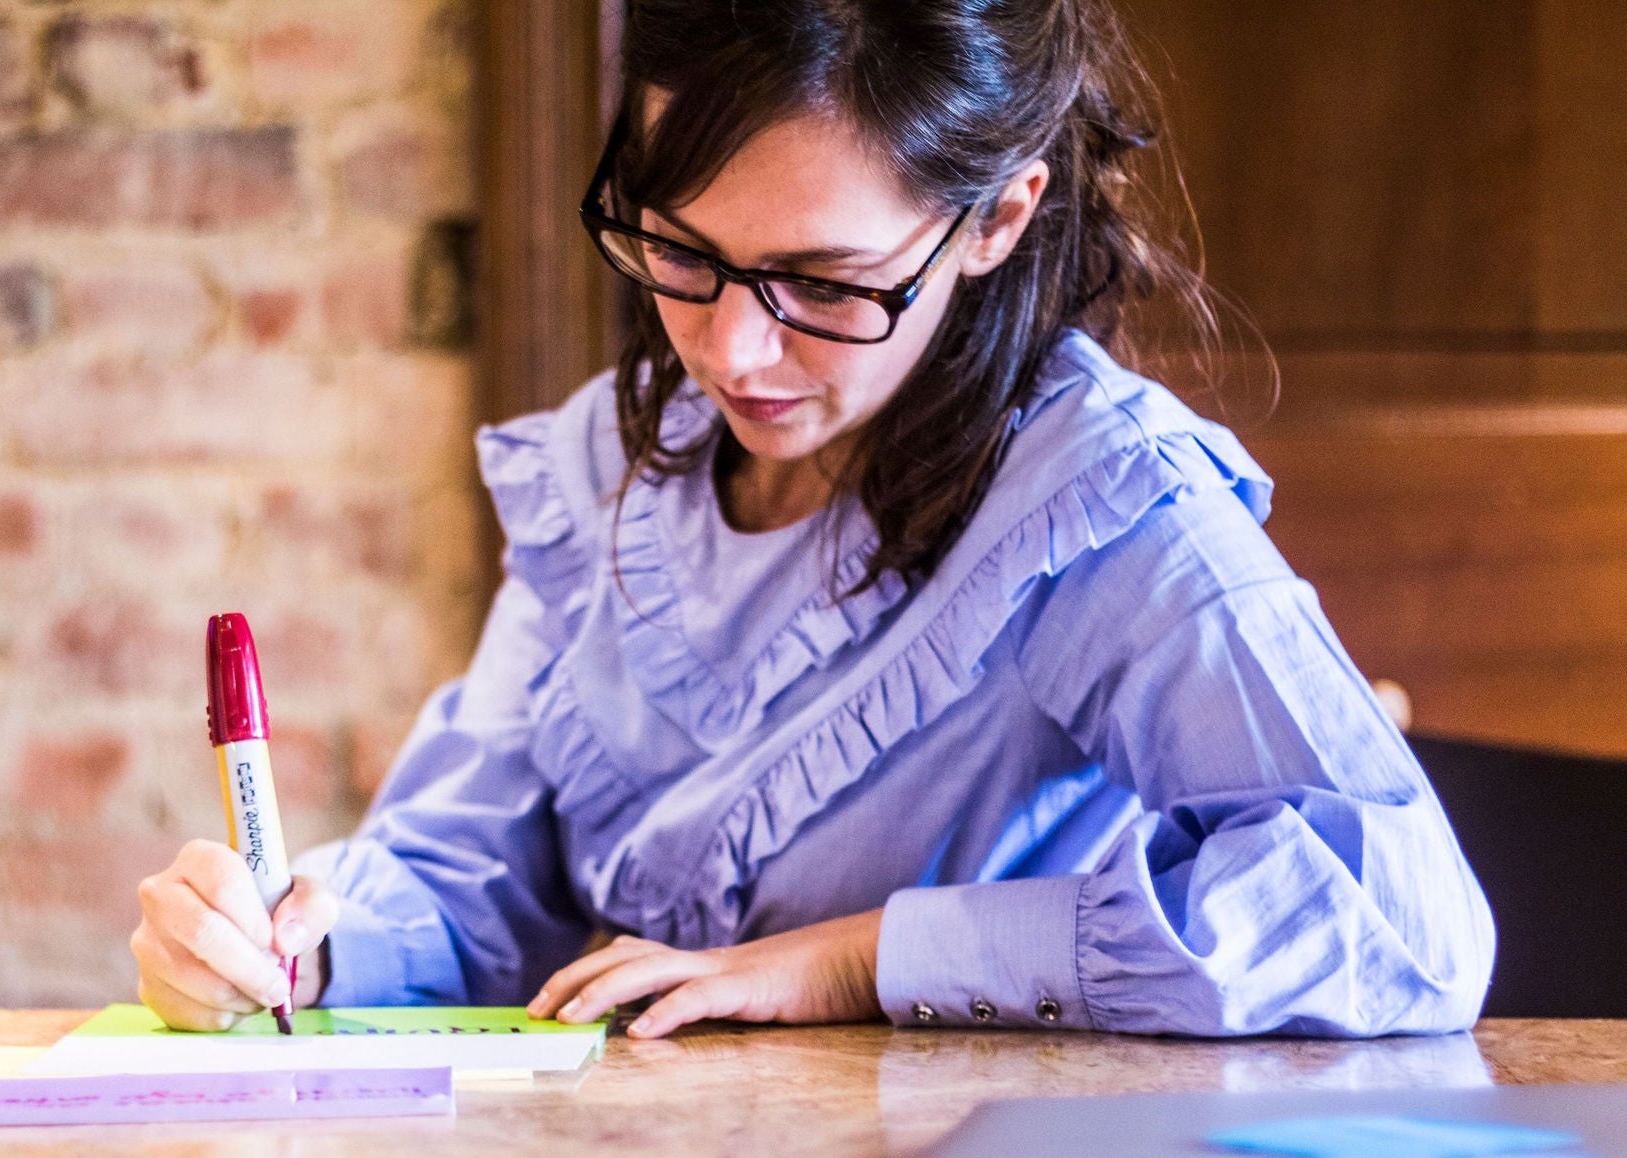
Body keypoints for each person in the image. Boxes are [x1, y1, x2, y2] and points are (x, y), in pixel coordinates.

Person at [130, 0, 1494, 1040]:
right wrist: (289, 937)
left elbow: (1401, 917)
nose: (735, 353)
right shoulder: (617, 463)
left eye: (824, 283)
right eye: (682, 250)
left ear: (996, 215)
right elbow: (471, 868)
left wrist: (856, 958)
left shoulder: (1096, 507)